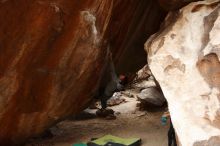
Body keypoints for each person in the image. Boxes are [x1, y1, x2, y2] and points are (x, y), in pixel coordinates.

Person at [94, 49, 127, 118]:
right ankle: (104, 110)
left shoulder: (115, 80)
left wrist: (110, 59)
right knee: (103, 99)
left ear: (122, 78)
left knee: (102, 99)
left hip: (107, 93)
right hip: (109, 93)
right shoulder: (118, 82)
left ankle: (103, 111)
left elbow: (112, 70)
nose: (121, 75)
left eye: (123, 76)